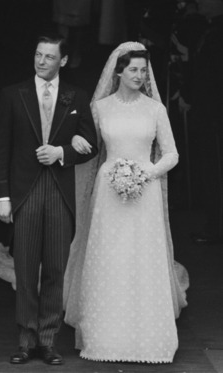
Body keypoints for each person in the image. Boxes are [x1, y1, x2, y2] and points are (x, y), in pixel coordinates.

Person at [63, 41, 189, 363]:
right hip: (109, 192)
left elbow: (172, 153)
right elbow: (90, 146)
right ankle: (104, 336)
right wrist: (75, 140)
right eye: (132, 69)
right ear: (118, 71)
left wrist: (147, 172)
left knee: (141, 259)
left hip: (143, 193)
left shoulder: (155, 109)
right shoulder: (101, 107)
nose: (138, 75)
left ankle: (148, 338)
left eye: (143, 70)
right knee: (109, 258)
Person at [0, 31, 98, 365]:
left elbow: (90, 144)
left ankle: (48, 341)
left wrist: (62, 152)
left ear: (63, 60)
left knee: (55, 268)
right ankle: (26, 340)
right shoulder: (13, 95)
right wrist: (2, 196)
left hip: (59, 194)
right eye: (38, 55)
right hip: (24, 193)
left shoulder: (76, 96)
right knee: (25, 270)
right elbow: (0, 148)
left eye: (49, 57)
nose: (41, 61)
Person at [189, 0, 223, 245]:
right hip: (209, 114)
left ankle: (216, 227)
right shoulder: (210, 29)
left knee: (215, 171)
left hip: (215, 115)